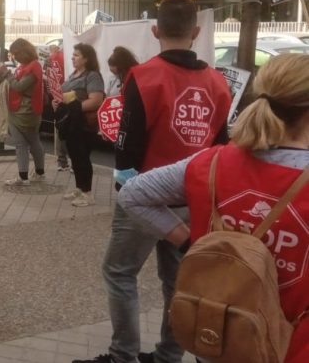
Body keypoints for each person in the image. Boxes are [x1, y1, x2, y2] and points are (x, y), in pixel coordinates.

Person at [117, 53, 309, 362]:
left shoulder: (212, 162)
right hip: (290, 343)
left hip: (219, 330)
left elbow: (132, 195)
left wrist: (190, 243)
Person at [74, 0, 232, 363]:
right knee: (178, 282)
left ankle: (123, 354)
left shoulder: (142, 77)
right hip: (192, 199)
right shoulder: (219, 84)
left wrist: (124, 192)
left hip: (143, 193)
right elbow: (221, 149)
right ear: (196, 31)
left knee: (119, 272)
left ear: (155, 29)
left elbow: (127, 146)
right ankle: (168, 355)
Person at [57, 43, 105, 207]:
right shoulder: (74, 74)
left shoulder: (92, 76)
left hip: (83, 123)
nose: (72, 57)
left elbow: (96, 100)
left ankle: (88, 193)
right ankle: (79, 188)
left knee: (82, 156)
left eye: (76, 55)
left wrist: (74, 107)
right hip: (71, 122)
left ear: (86, 58)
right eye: (73, 54)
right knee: (75, 156)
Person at [0, 38, 46, 186]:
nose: (14, 57)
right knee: (33, 141)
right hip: (26, 109)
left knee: (23, 144)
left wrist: (7, 74)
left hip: (24, 111)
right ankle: (37, 173)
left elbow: (19, 86)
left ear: (23, 52)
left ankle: (24, 176)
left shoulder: (33, 68)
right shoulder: (30, 65)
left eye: (15, 54)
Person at [47, 43, 70, 171]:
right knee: (72, 131)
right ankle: (71, 162)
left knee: (60, 130)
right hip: (70, 94)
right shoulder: (67, 58)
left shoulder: (52, 58)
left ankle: (62, 161)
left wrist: (52, 95)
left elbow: (50, 78)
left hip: (58, 95)